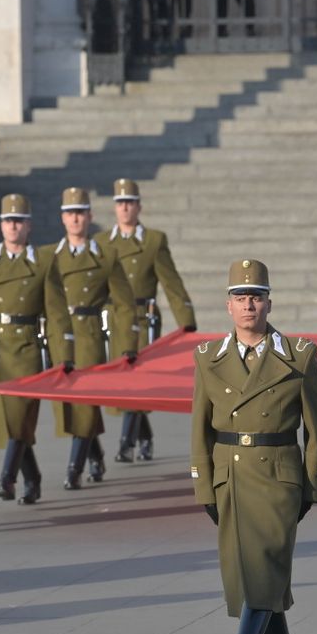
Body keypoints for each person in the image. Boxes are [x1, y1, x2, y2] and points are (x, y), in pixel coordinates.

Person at [190, 259, 317, 634]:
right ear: (228, 306)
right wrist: (203, 485)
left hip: (278, 476)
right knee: (250, 572)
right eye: (240, 297)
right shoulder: (209, 358)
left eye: (256, 297)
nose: (248, 305)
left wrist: (312, 485)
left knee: (264, 565)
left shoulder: (299, 356)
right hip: (229, 475)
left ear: (269, 303)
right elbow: (199, 429)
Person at [0, 194, 71, 505]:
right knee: (8, 420)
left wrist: (64, 356)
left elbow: (56, 312)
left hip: (27, 346)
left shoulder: (44, 261)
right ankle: (33, 477)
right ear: (1, 225)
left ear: (28, 225)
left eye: (18, 221)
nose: (12, 226)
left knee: (20, 416)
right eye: (7, 221)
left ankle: (8, 476)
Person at [40, 188, 138, 489]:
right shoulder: (47, 256)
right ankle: (95, 455)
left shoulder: (106, 256)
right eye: (70, 213)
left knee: (85, 402)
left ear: (90, 217)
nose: (75, 218)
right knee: (68, 404)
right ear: (62, 218)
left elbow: (124, 303)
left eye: (80, 213)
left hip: (91, 333)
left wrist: (127, 346)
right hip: (59, 334)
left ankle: (74, 467)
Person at [106, 178, 197, 462]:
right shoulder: (101, 243)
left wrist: (186, 321)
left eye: (130, 203)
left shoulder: (153, 241)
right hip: (115, 319)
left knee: (137, 381)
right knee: (123, 383)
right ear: (115, 208)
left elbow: (171, 283)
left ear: (139, 207)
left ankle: (126, 442)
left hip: (144, 318)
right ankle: (145, 436)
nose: (125, 209)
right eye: (120, 203)